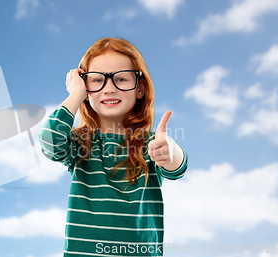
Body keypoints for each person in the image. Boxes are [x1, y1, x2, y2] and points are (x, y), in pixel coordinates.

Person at [38, 37, 188, 256]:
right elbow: (49, 140)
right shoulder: (81, 143)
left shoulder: (151, 144)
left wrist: (170, 151)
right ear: (85, 87)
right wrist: (76, 95)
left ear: (140, 88)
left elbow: (177, 168)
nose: (109, 89)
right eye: (97, 80)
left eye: (121, 79)